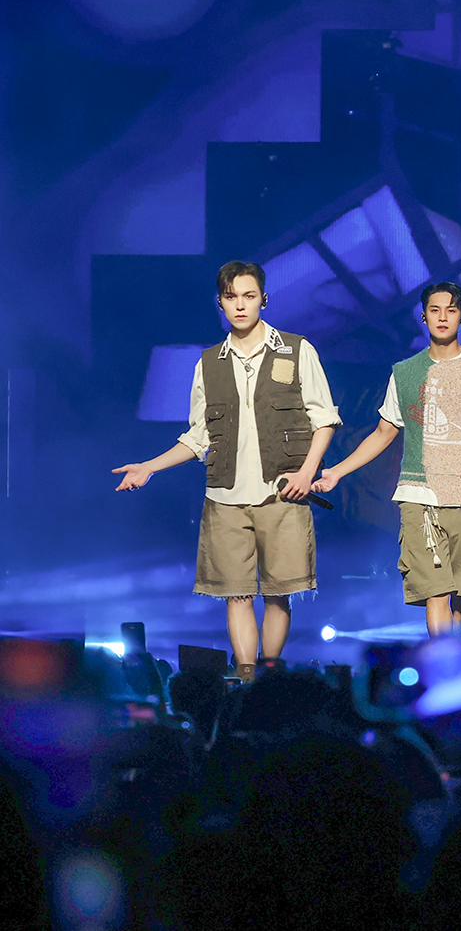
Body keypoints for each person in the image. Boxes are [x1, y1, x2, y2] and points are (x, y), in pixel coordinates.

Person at [113, 261, 340, 676]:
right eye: (231, 297)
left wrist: (307, 472)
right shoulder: (208, 364)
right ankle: (247, 678)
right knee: (237, 595)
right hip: (225, 497)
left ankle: (268, 676)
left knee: (279, 593)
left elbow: (324, 419)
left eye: (249, 296)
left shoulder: (297, 349)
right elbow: (198, 436)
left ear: (263, 299)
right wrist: (149, 467)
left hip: (282, 492)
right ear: (220, 302)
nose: (240, 305)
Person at [314, 281, 461, 636]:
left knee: (457, 592)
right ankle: (441, 658)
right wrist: (337, 472)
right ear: (423, 317)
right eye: (435, 310)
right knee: (436, 590)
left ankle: (454, 659)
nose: (442, 317)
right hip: (418, 493)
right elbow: (383, 433)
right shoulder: (405, 373)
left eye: (451, 310)